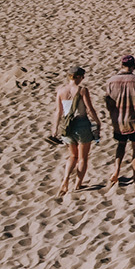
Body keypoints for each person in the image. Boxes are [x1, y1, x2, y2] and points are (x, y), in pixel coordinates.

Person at [105, 55, 135, 188]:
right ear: (133, 66)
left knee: (121, 145)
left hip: (118, 121)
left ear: (121, 65)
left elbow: (108, 102)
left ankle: (116, 171)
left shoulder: (111, 81)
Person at [50, 67, 101, 195]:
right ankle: (78, 184)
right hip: (81, 124)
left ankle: (65, 180)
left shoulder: (61, 91)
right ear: (77, 77)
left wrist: (55, 129)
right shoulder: (82, 90)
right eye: (82, 76)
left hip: (66, 126)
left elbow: (58, 111)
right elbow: (89, 109)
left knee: (72, 156)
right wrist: (97, 122)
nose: (83, 78)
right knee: (83, 157)